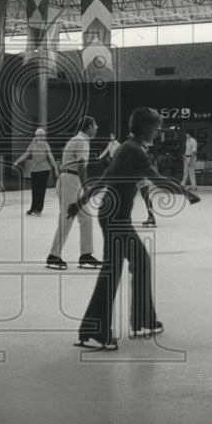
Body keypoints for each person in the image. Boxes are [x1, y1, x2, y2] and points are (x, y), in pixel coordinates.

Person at [67, 107, 201, 350]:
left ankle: (140, 320)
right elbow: (158, 180)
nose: (157, 131)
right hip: (116, 217)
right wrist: (186, 192)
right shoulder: (134, 150)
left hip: (113, 214)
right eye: (156, 127)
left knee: (138, 262)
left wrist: (82, 201)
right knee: (114, 270)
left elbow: (107, 176)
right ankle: (98, 329)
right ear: (145, 127)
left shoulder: (127, 147)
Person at [44, 116, 100, 270]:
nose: (96, 128)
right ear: (89, 127)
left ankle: (86, 254)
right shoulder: (82, 141)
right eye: (95, 125)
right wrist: (87, 188)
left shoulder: (79, 140)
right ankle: (53, 256)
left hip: (72, 180)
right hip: (70, 180)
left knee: (86, 218)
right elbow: (81, 166)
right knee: (67, 218)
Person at [13, 128, 58, 215]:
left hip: (44, 169)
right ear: (36, 136)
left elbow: (51, 157)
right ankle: (33, 208)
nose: (41, 137)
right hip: (34, 169)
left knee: (41, 190)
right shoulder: (32, 145)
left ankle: (39, 209)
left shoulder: (46, 145)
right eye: (39, 135)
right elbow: (26, 154)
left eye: (42, 135)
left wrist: (56, 168)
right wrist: (17, 162)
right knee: (35, 190)